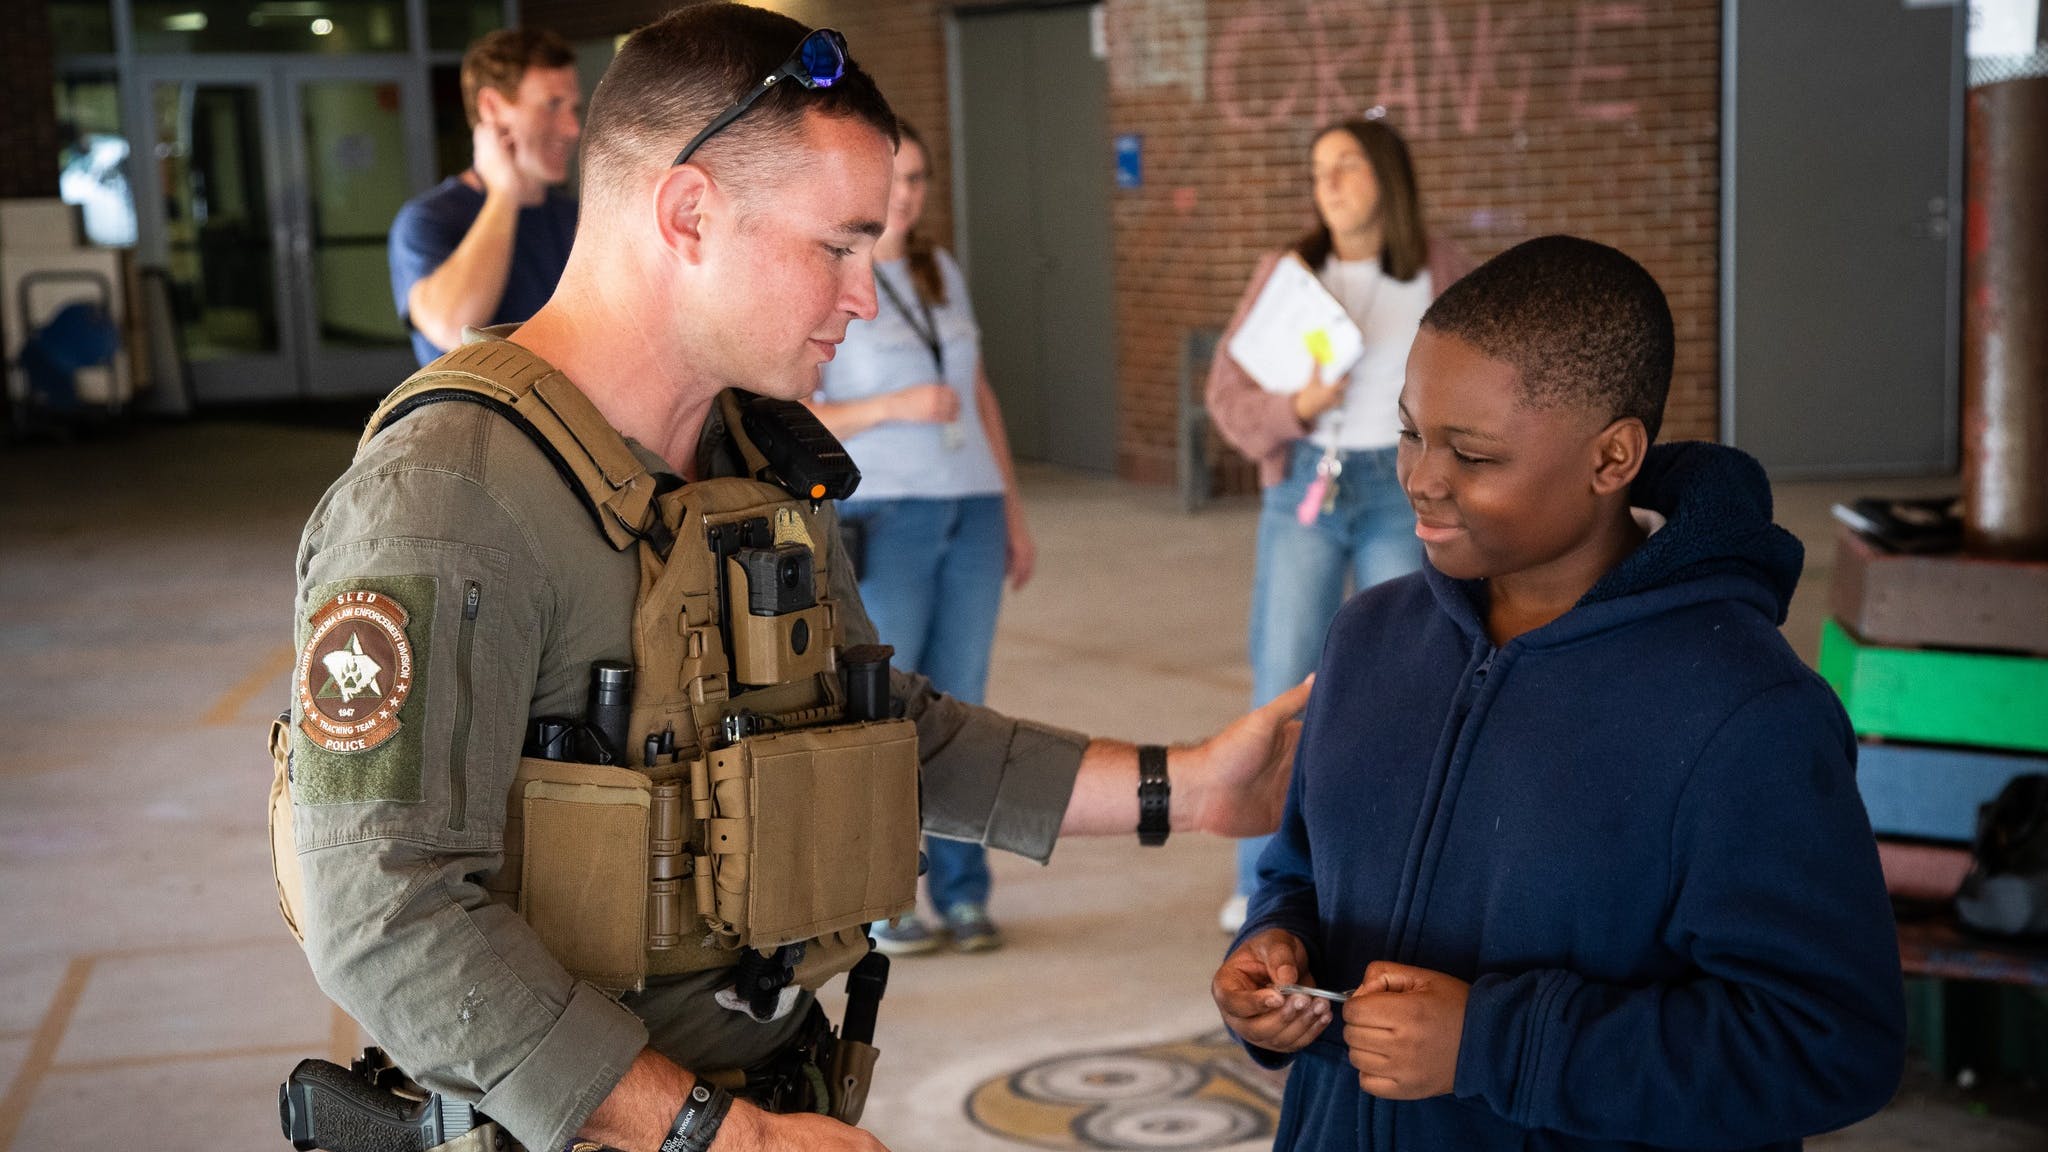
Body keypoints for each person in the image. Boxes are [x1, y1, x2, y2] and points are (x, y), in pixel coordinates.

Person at [282, 8, 1306, 1152]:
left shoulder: (753, 456)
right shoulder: (447, 497)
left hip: (759, 1097)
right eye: (836, 246)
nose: (865, 296)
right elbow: (383, 912)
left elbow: (881, 737)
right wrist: (720, 1137)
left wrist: (1196, 788)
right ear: (686, 213)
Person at [1209, 236, 1906, 1151]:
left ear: (1613, 458)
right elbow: (1300, 872)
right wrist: (1273, 953)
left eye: (1474, 454)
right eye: (1412, 429)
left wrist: (1495, 1046)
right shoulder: (1370, 638)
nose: (1420, 477)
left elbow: (1828, 1043)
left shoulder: (1745, 713)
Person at [1205, 114, 1470, 935]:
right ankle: (1261, 884)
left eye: (1347, 165)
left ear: (1387, 176)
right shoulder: (1289, 272)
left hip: (1404, 492)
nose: (1329, 182)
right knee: (1284, 682)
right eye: (1319, 168)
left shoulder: (1441, 272)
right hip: (1307, 492)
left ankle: (1391, 877)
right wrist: (1299, 405)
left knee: (1406, 676)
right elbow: (1226, 395)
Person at [804, 121, 1033, 957]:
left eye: (921, 180)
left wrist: (1010, 507)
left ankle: (967, 894)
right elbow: (801, 413)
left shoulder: (943, 273)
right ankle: (887, 900)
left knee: (966, 709)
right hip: (888, 514)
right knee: (892, 710)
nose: (909, 195)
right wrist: (895, 408)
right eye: (897, 179)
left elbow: (979, 396)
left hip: (967, 503)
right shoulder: (831, 279)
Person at [388, 28, 582, 365]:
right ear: (491, 107)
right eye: (552, 105)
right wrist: (504, 193)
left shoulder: (576, 216)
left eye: (573, 108)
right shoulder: (428, 219)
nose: (572, 129)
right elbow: (452, 328)